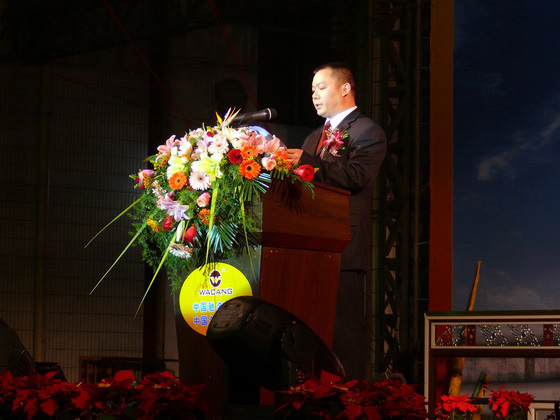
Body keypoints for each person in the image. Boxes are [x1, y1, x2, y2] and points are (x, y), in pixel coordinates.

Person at [287, 62, 386, 380]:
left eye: (321, 87)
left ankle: (348, 398)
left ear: (345, 88)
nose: (314, 95)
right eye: (312, 90)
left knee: (343, 334)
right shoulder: (313, 137)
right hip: (308, 245)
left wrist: (308, 164)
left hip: (343, 246)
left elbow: (357, 176)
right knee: (308, 330)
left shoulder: (367, 131)